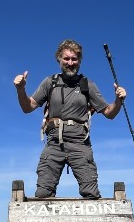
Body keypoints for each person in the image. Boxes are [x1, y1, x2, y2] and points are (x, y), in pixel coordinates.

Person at [13, 39, 126, 199]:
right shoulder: (49, 82)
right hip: (53, 144)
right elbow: (27, 107)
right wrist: (21, 89)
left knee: (91, 194)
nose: (70, 63)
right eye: (66, 58)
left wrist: (118, 101)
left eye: (74, 59)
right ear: (59, 59)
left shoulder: (88, 85)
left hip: (80, 143)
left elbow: (109, 113)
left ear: (79, 61)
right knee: (43, 194)